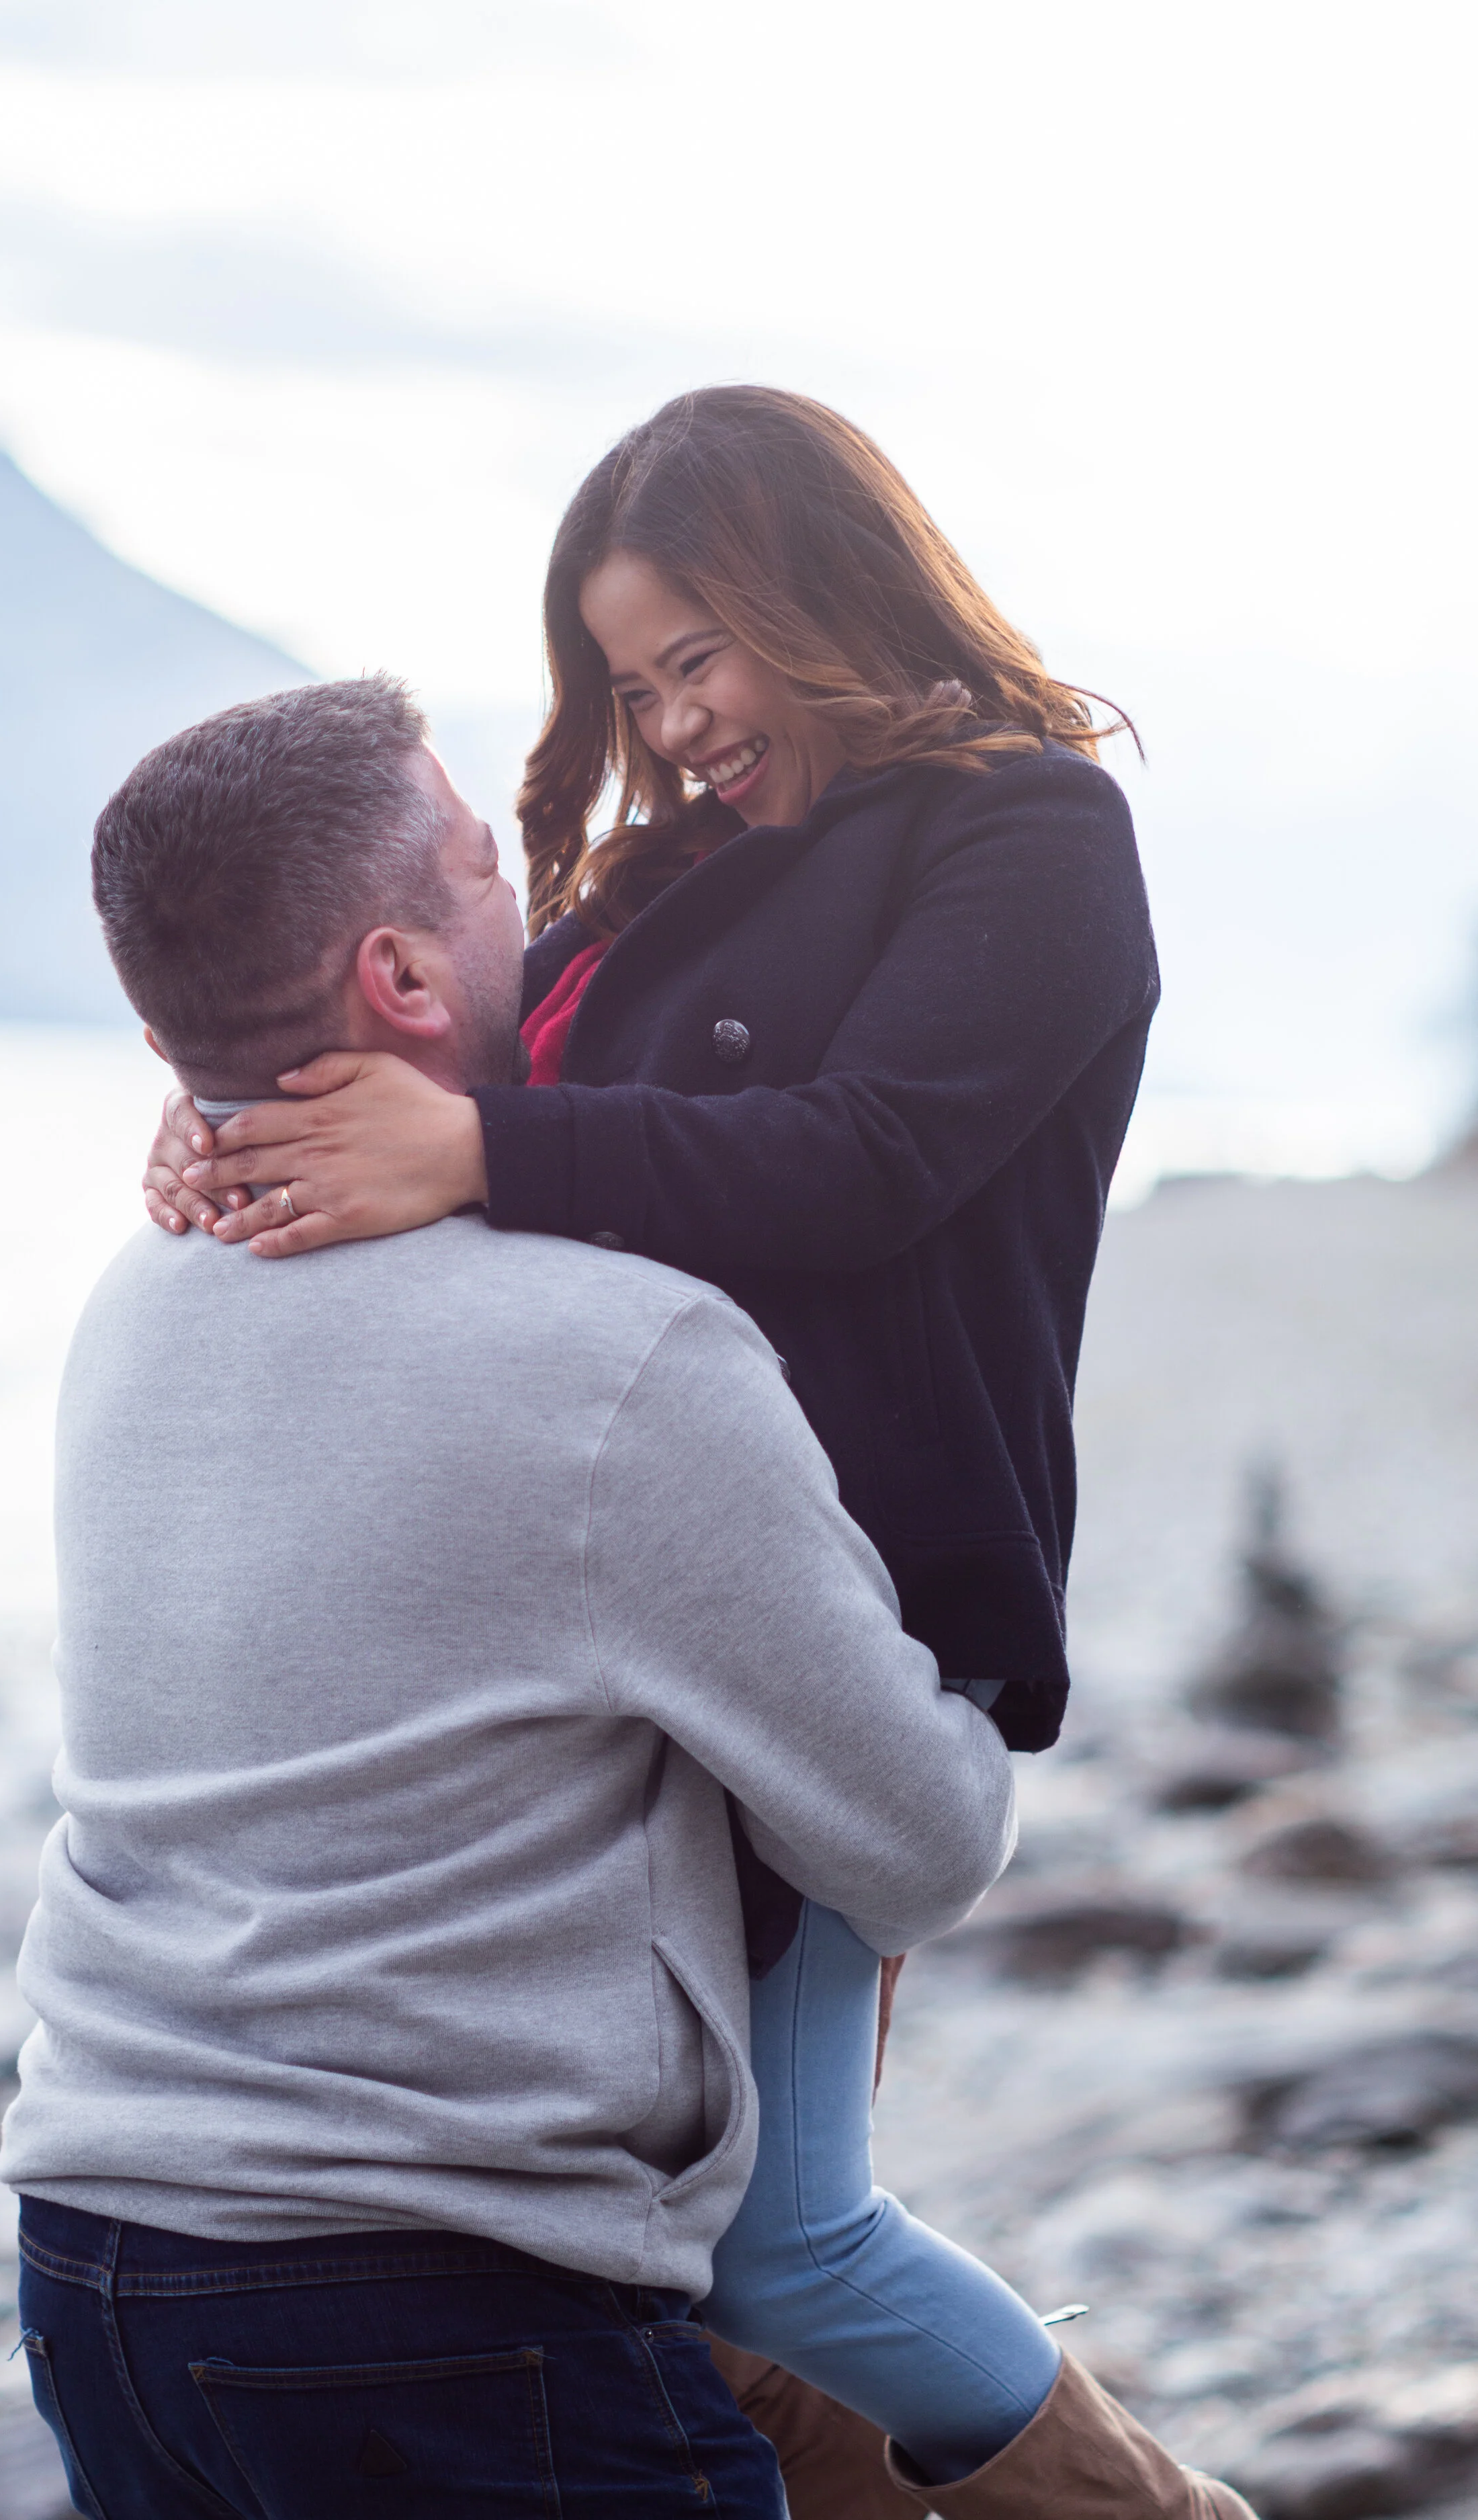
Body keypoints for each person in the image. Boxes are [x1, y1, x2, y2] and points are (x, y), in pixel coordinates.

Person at [135, 392, 1256, 2520]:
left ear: (824, 589)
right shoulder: (670, 875)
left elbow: (870, 1158)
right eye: (634, 684)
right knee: (661, 2263)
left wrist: (475, 1148)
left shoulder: (1030, 834)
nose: (675, 721)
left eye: (698, 657)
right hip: (616, 1627)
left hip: (841, 1609)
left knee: (776, 2237)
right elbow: (461, 1075)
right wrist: (239, 1123)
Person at [0, 676, 1023, 2520]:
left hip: (95, 2279)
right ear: (398, 975)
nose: (529, 914)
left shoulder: (133, 1302)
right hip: (431, 2319)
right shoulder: (618, 1357)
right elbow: (921, 1838)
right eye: (485, 870)